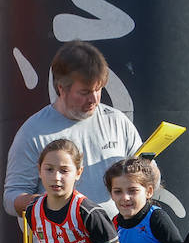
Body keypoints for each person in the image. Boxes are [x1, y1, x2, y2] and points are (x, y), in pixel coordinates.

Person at [5, 41, 142, 217]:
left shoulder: (117, 121)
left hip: (120, 241)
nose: (94, 99)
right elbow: (12, 197)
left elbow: (148, 176)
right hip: (62, 242)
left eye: (98, 89)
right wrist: (50, 204)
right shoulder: (33, 132)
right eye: (85, 92)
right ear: (61, 88)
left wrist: (147, 171)